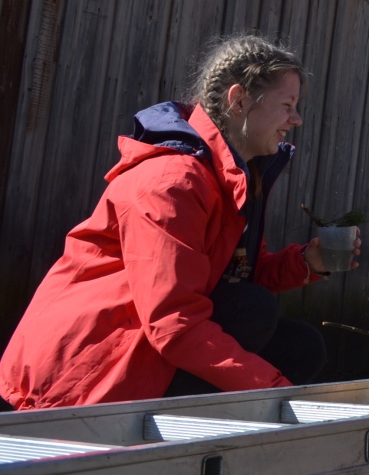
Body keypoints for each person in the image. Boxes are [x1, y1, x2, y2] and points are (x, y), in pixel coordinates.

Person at [0, 35, 334, 411]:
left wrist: (307, 264)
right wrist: (277, 395)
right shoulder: (172, 182)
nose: (297, 119)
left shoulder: (231, 178)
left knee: (300, 344)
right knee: (252, 311)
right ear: (239, 100)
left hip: (148, 341)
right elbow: (173, 321)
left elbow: (239, 273)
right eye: (288, 105)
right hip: (79, 375)